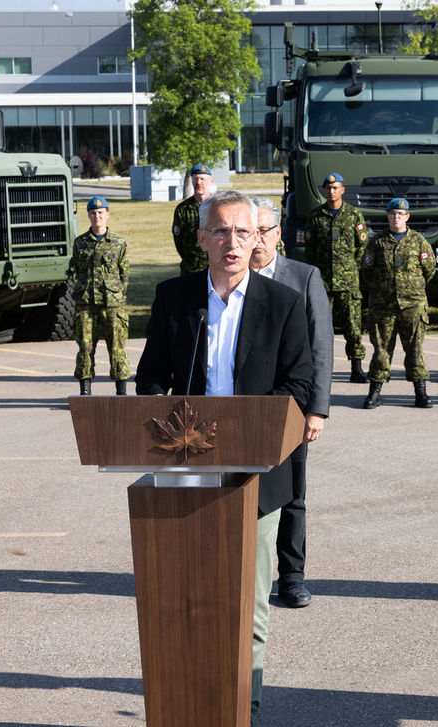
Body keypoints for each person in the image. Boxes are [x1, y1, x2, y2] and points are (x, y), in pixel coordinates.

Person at [134, 189, 314, 718]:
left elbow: (299, 385)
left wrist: (245, 429)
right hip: (183, 471)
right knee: (184, 601)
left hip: (254, 474)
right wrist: (155, 414)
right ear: (201, 239)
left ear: (258, 238)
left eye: (243, 232)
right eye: (220, 231)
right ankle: (185, 703)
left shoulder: (283, 303)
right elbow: (151, 378)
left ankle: (244, 706)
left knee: (246, 605)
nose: (232, 242)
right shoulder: (174, 298)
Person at [249, 197, 333, 611]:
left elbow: (320, 347)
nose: (258, 239)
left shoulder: (302, 277)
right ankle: (248, 572)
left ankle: (292, 577)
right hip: (243, 410)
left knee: (291, 494)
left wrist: (316, 409)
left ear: (278, 234)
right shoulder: (233, 278)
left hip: (293, 407)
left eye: (266, 230)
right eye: (253, 230)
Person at [360, 198, 438, 409]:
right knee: (381, 351)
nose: (397, 217)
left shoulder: (419, 241)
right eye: (393, 213)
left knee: (415, 350)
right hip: (383, 306)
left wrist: (411, 289)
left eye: (401, 214)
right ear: (387, 216)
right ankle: (374, 393)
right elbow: (366, 272)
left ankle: (420, 393)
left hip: (412, 305)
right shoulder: (377, 243)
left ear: (407, 216)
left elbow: (429, 270)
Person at [303, 172, 370, 384]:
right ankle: (320, 370)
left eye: (335, 188)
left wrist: (350, 269)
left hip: (348, 281)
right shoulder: (316, 216)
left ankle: (356, 368)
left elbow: (362, 248)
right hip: (323, 282)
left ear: (342, 190)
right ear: (324, 190)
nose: (331, 192)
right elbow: (310, 249)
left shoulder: (354, 215)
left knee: (353, 327)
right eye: (328, 188)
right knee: (321, 328)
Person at [68, 196, 129, 395]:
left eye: (101, 213)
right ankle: (85, 392)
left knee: (117, 348)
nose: (97, 217)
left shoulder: (119, 243)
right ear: (89, 215)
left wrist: (116, 296)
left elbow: (124, 275)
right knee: (85, 347)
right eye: (93, 213)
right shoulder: (80, 244)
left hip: (112, 305)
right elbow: (76, 270)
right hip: (86, 304)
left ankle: (121, 393)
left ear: (107, 214)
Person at [172, 163, 214, 275]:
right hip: (190, 269)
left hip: (215, 267)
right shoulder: (183, 209)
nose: (198, 183)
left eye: (202, 179)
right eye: (195, 179)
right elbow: (178, 241)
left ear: (211, 181)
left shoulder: (218, 206)